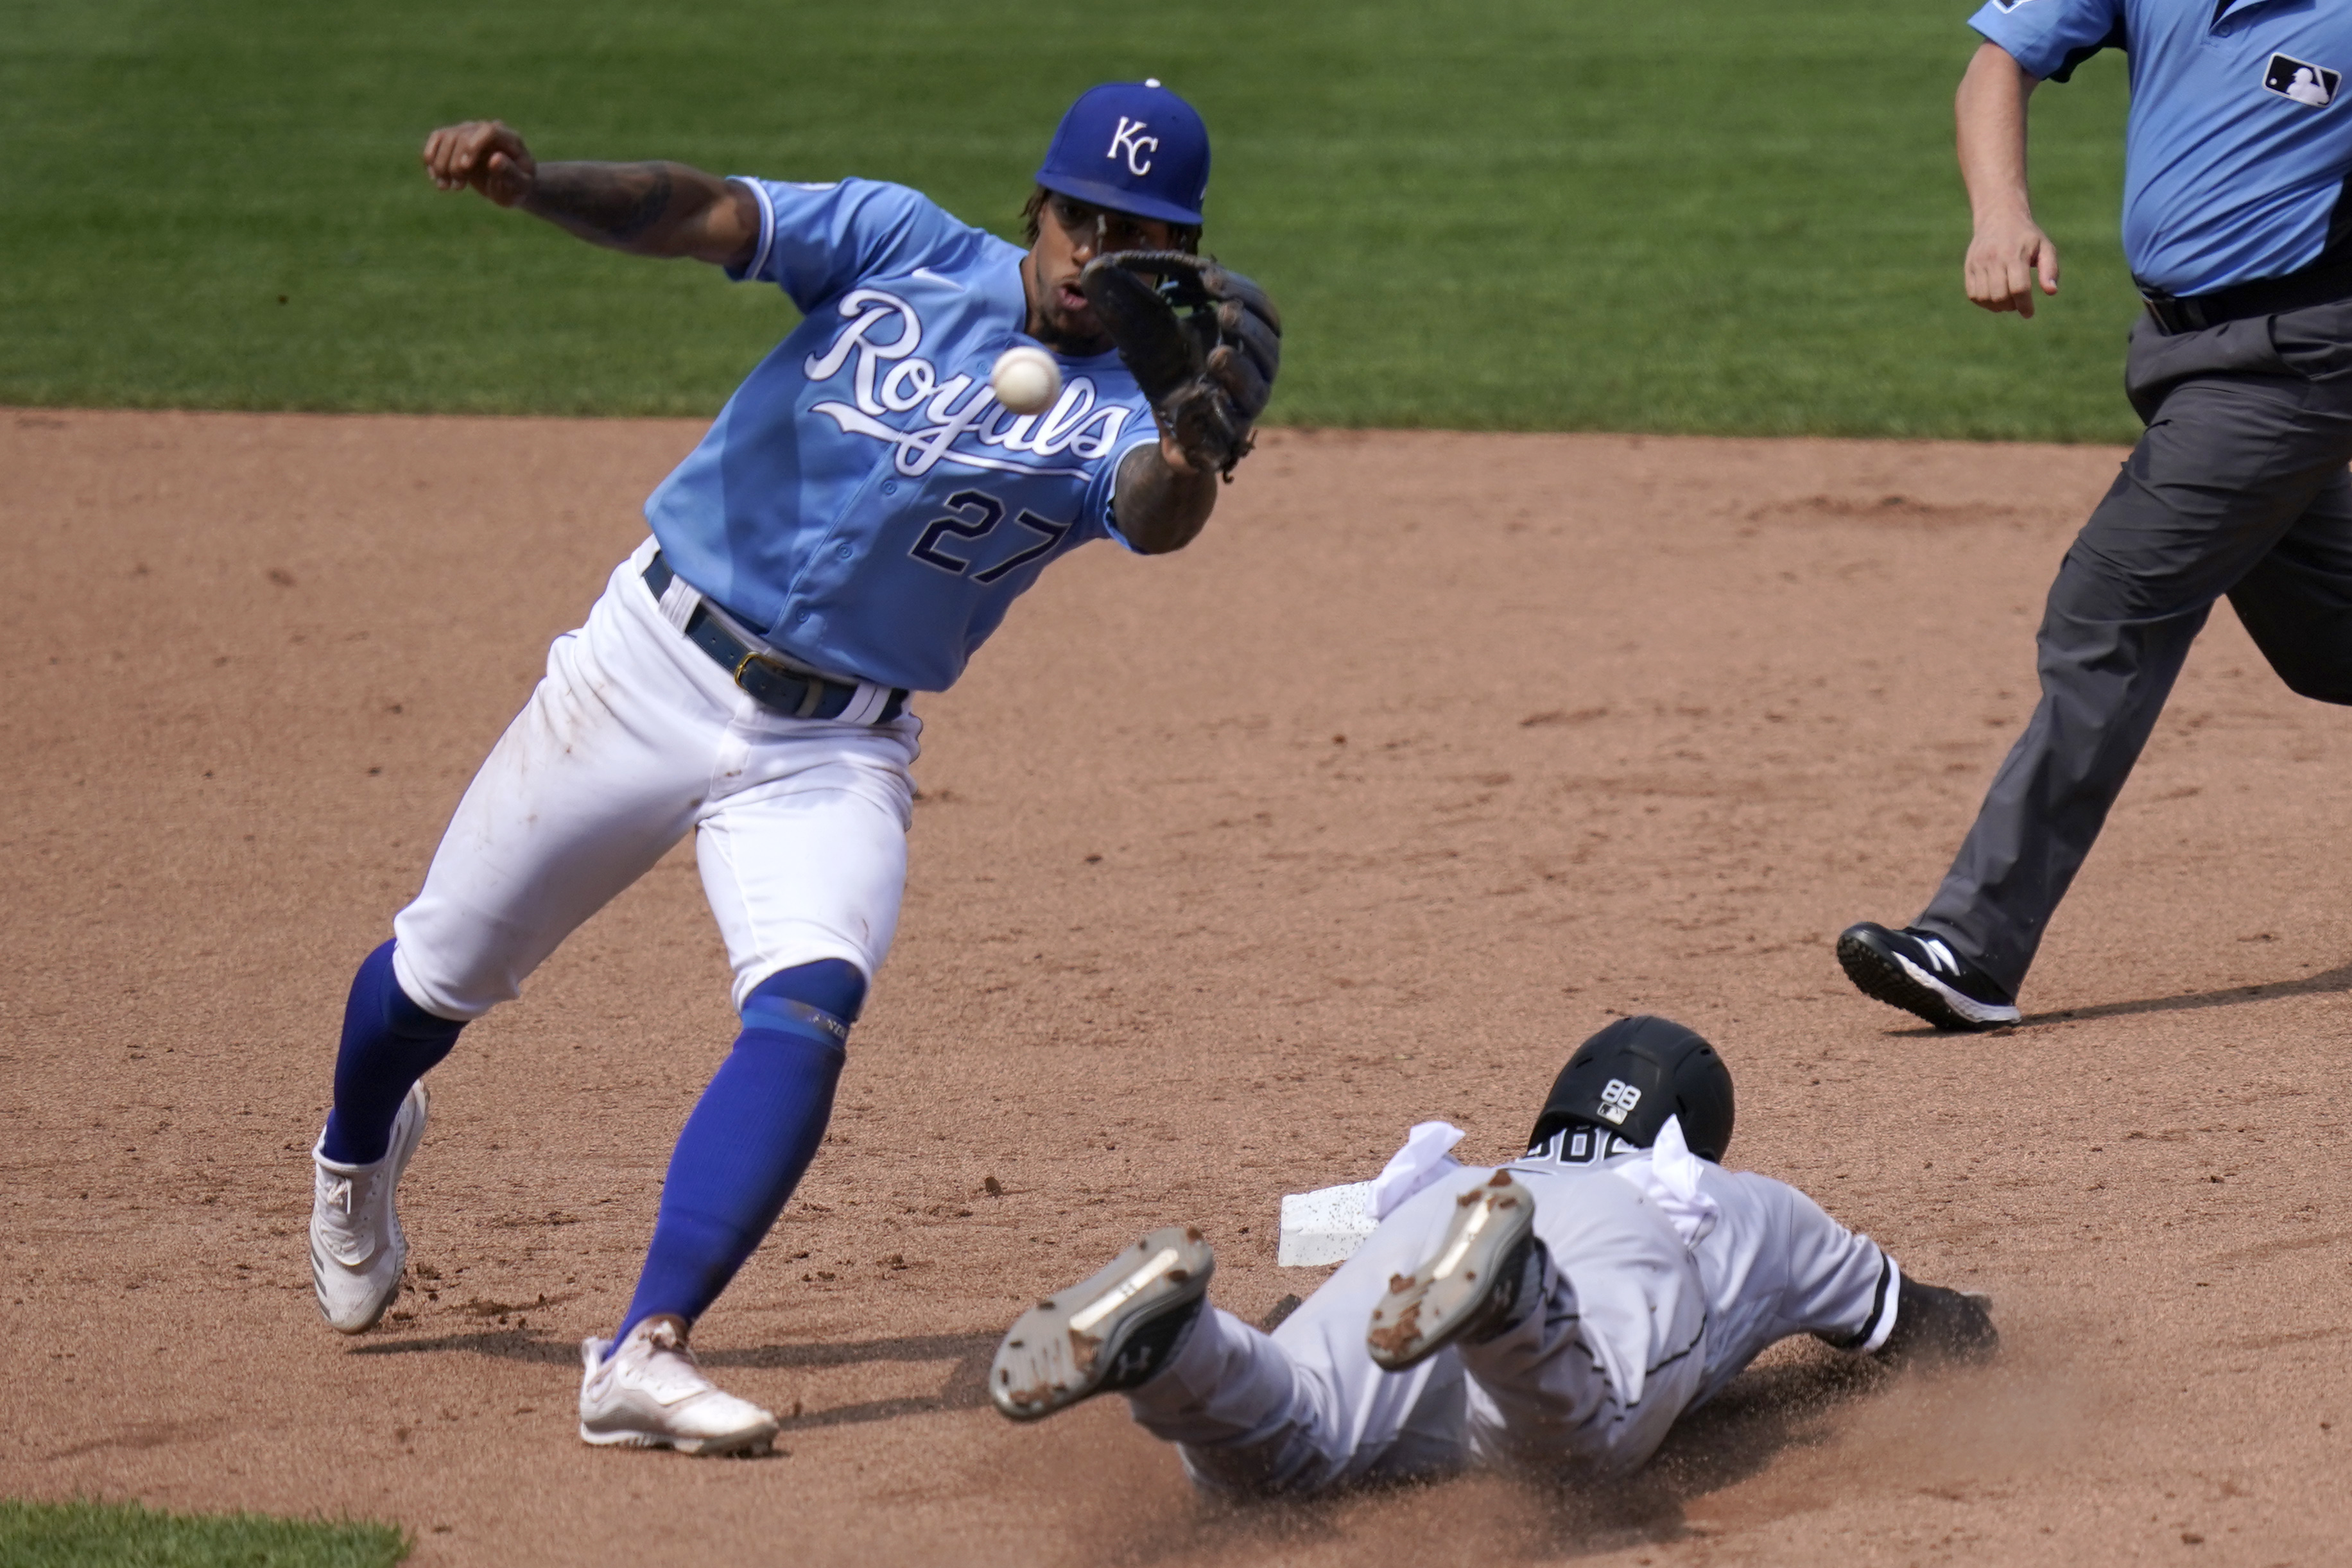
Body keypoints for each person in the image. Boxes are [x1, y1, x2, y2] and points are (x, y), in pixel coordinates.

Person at [304, 80, 1280, 1457]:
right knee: (435, 975)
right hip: (643, 669)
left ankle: (642, 1349)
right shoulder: (898, 244)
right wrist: (538, 185)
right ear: (1037, 207)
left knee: (811, 996)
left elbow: (1152, 518)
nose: (1096, 257)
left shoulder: (1132, 405)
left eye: (1139, 238)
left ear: (1179, 257)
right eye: (1080, 219)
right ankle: (353, 1152)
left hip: (829, 748)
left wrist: (1192, 441)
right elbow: (701, 210)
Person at [1839, 3, 2352, 1031]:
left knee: (2107, 611)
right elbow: (1998, 62)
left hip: (2296, 359)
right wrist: (2000, 213)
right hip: (2176, 353)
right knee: (2332, 642)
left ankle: (1971, 948)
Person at [987, 1017, 1996, 1491]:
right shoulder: (1739, 1201)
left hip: (1441, 1227)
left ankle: (1182, 1352)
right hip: (1613, 1246)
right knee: (1577, 1445)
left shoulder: (1453, 1179)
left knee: (1292, 1444)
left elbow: (1309, 1272)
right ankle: (1513, 1305)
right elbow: (1913, 1322)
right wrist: (1990, 1335)